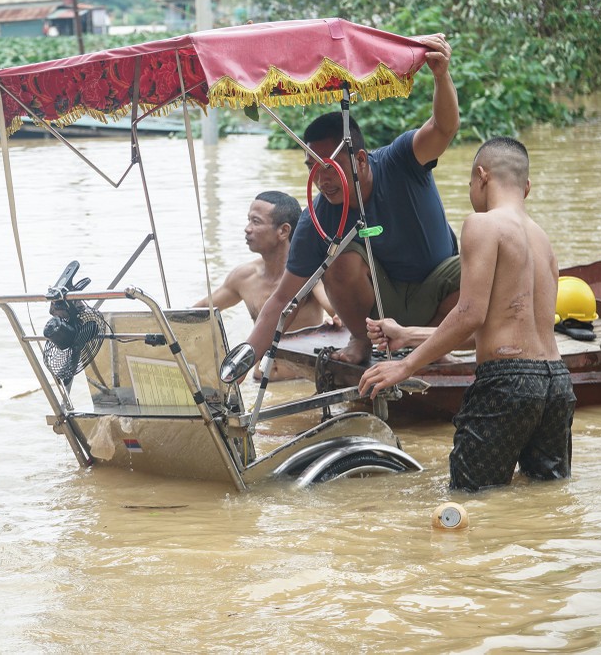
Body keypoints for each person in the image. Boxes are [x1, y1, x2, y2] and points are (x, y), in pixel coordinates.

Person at [359, 137, 574, 491]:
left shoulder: (482, 224)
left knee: (469, 499)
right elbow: (497, 329)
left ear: (481, 176)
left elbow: (470, 314)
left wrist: (405, 365)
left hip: (507, 383)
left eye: (470, 183)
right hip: (556, 382)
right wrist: (408, 333)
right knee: (545, 497)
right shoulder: (542, 240)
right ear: (528, 187)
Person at [244, 34, 461, 367]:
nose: (321, 179)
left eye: (330, 167)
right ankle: (362, 340)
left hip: (438, 289)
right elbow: (281, 300)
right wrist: (241, 365)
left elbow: (444, 127)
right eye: (313, 169)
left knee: (481, 264)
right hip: (378, 310)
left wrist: (441, 75)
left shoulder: (401, 160)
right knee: (338, 261)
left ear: (361, 159)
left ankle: (430, 343)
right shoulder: (317, 216)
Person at [194, 191, 337, 380]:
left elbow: (337, 310)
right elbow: (200, 312)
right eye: (248, 220)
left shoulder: (310, 276)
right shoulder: (243, 277)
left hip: (300, 384)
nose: (247, 229)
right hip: (259, 381)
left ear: (283, 231)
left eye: (256, 221)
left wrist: (335, 321)